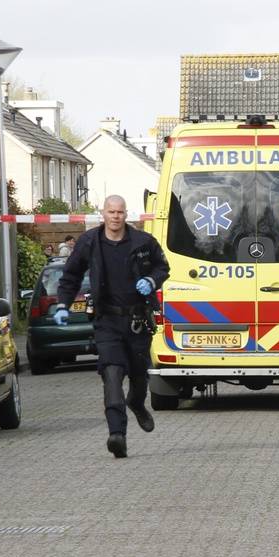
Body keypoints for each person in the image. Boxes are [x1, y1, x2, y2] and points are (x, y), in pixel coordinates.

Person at [54, 195, 170, 458]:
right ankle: (117, 434)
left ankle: (137, 403)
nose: (115, 216)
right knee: (112, 373)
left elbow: (163, 267)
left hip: (138, 319)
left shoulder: (143, 242)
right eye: (111, 212)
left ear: (125, 214)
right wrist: (63, 305)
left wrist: (151, 281)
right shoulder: (89, 242)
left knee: (139, 375)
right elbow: (70, 276)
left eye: (120, 212)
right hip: (107, 320)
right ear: (103, 214)